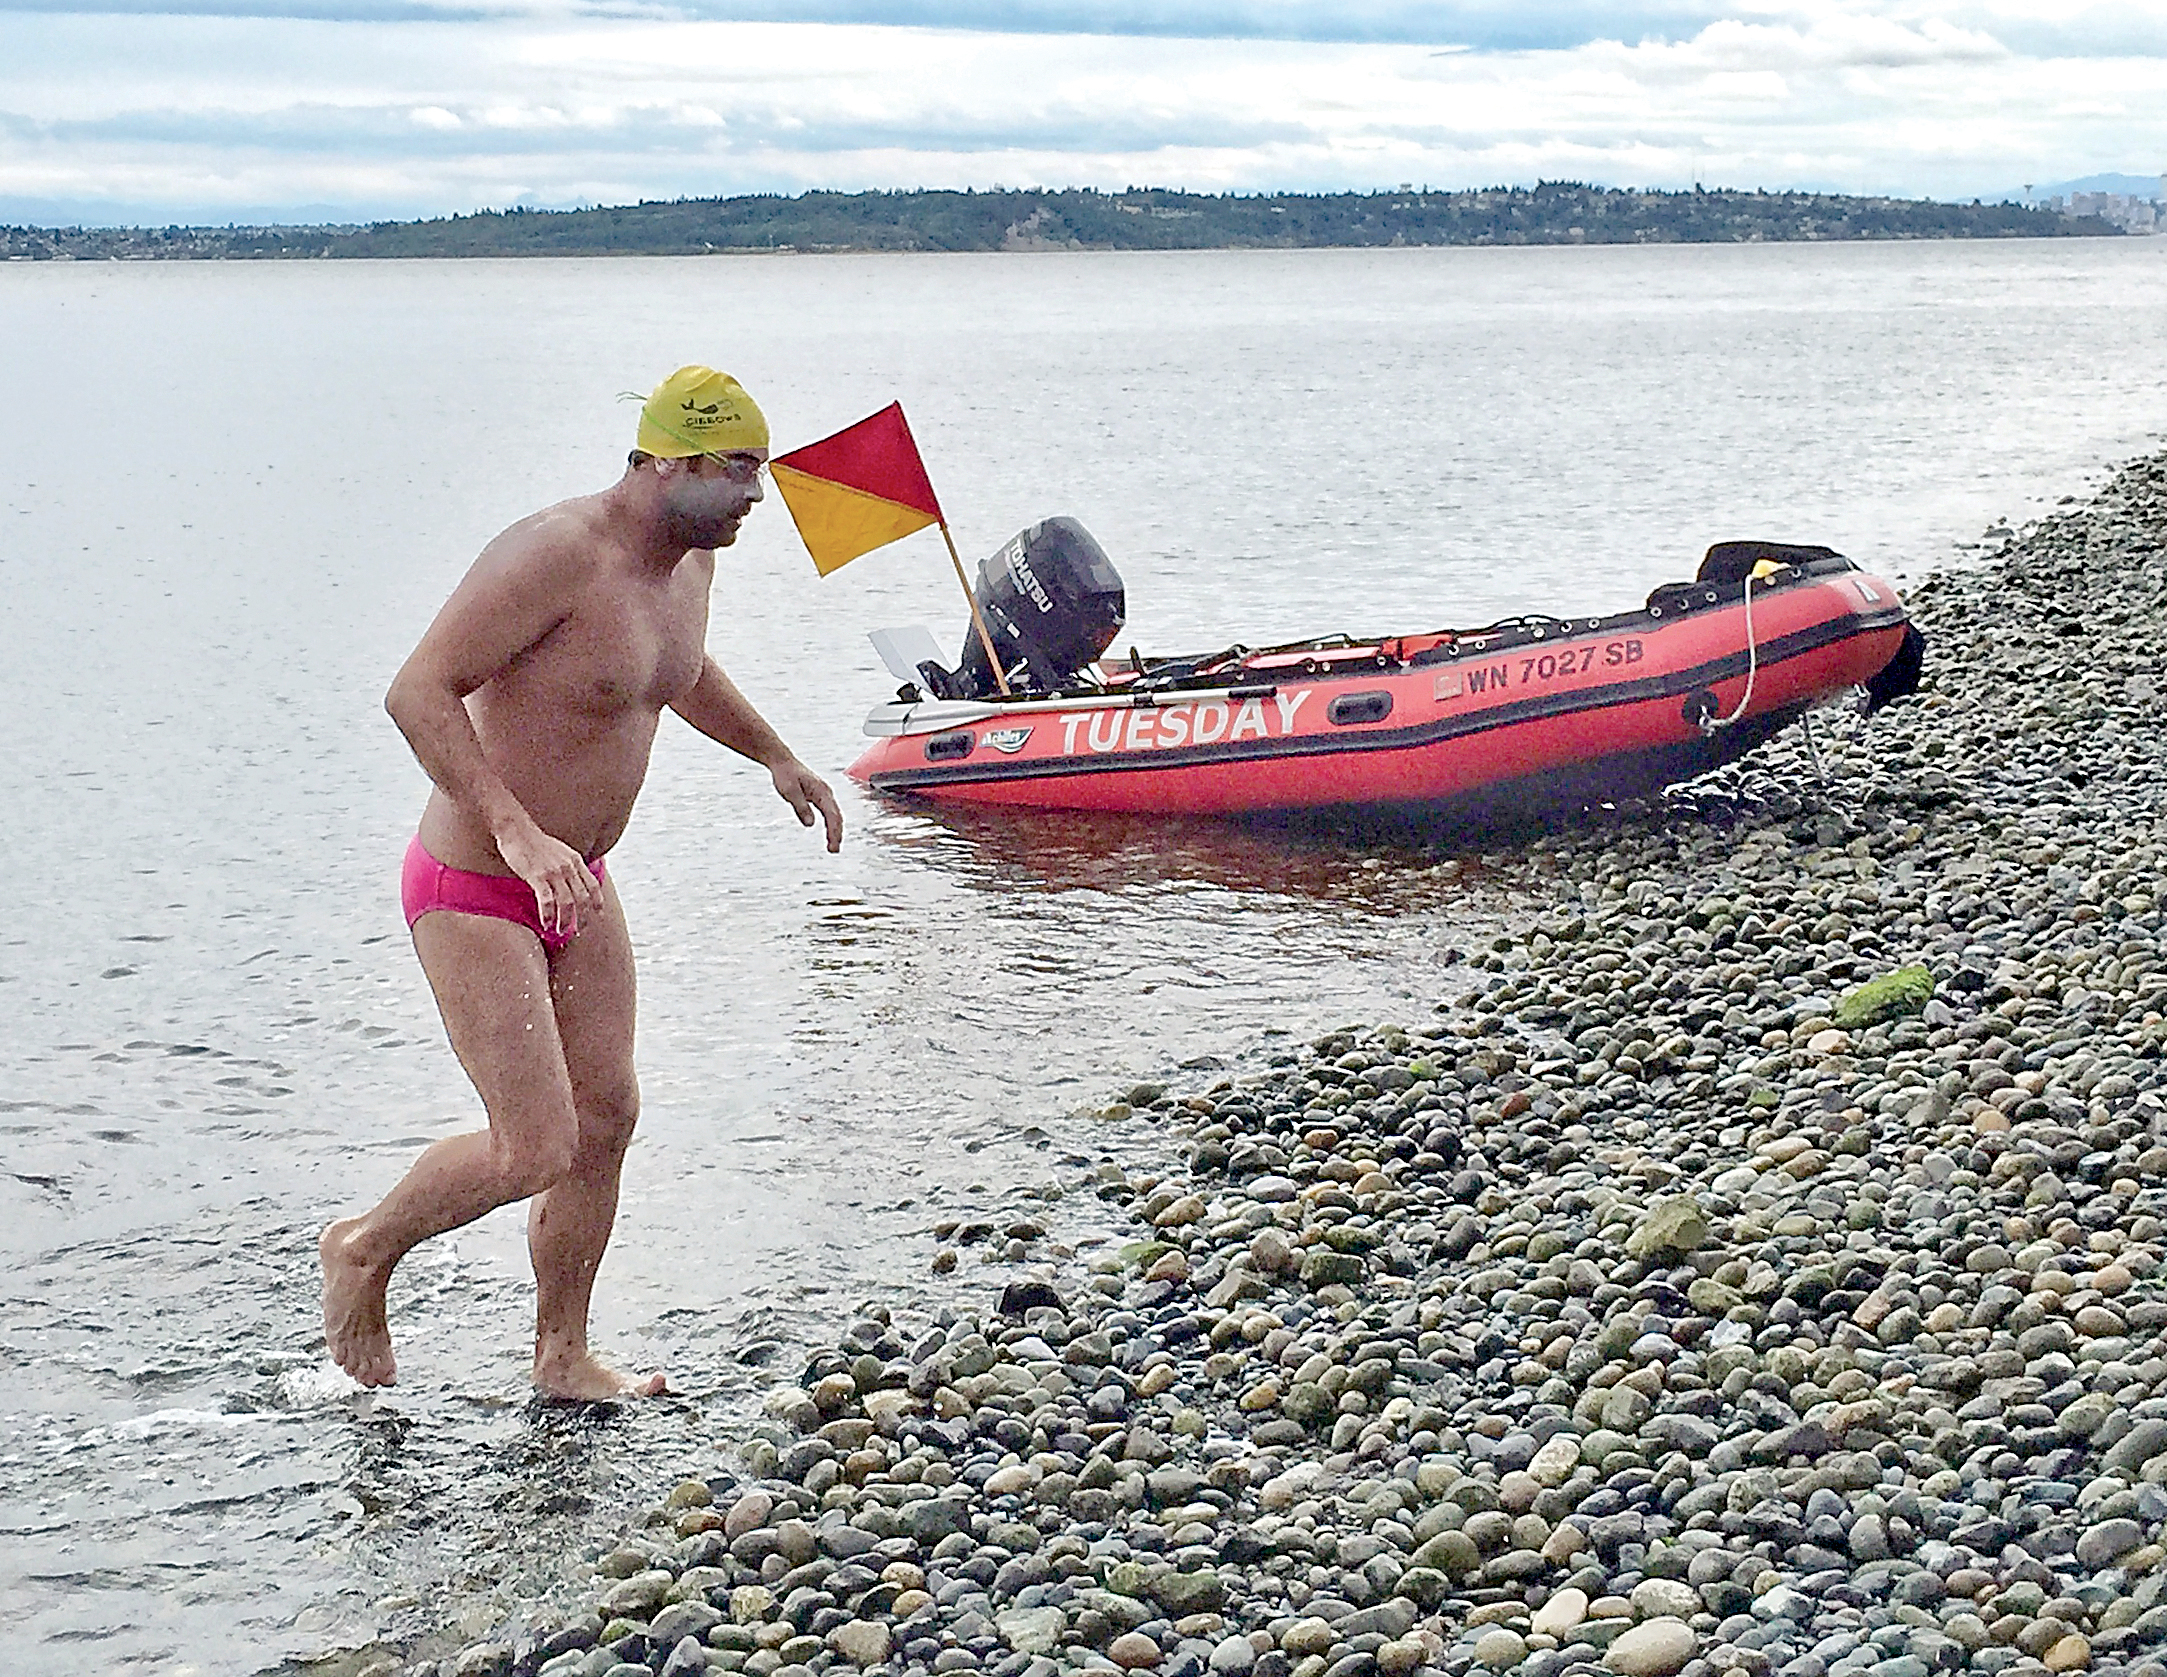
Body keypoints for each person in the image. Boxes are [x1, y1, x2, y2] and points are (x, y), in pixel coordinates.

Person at [319, 366, 841, 1399]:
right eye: (738, 470)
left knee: (607, 1118)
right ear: (668, 461)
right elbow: (415, 691)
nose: (755, 496)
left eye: (761, 472)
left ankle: (561, 1358)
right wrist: (515, 831)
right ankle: (363, 1248)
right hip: (477, 884)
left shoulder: (690, 564)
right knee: (534, 1146)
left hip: (580, 882)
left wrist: (775, 755)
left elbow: (672, 669)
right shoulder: (554, 552)